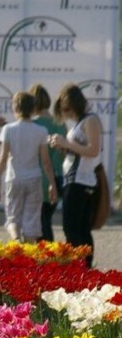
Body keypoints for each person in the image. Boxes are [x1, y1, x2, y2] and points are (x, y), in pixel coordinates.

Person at [49, 83, 102, 268]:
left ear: (74, 104)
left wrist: (67, 143)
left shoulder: (90, 120)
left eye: (66, 109)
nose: (66, 113)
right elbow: (78, 151)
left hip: (81, 181)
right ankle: (84, 267)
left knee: (72, 228)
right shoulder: (80, 122)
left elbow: (94, 150)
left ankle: (82, 266)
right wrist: (63, 145)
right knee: (78, 228)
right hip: (74, 179)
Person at [0, 91, 57, 243]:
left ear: (15, 107)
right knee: (32, 222)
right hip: (34, 178)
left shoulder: (8, 129)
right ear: (33, 108)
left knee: (13, 218)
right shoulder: (41, 131)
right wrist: (52, 184)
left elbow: (3, 158)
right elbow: (46, 162)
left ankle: (15, 241)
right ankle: (28, 253)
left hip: (13, 178)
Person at [29, 84, 65, 242]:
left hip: (40, 177)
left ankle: (44, 259)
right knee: (47, 219)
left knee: (40, 221)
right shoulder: (60, 124)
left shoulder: (33, 125)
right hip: (58, 176)